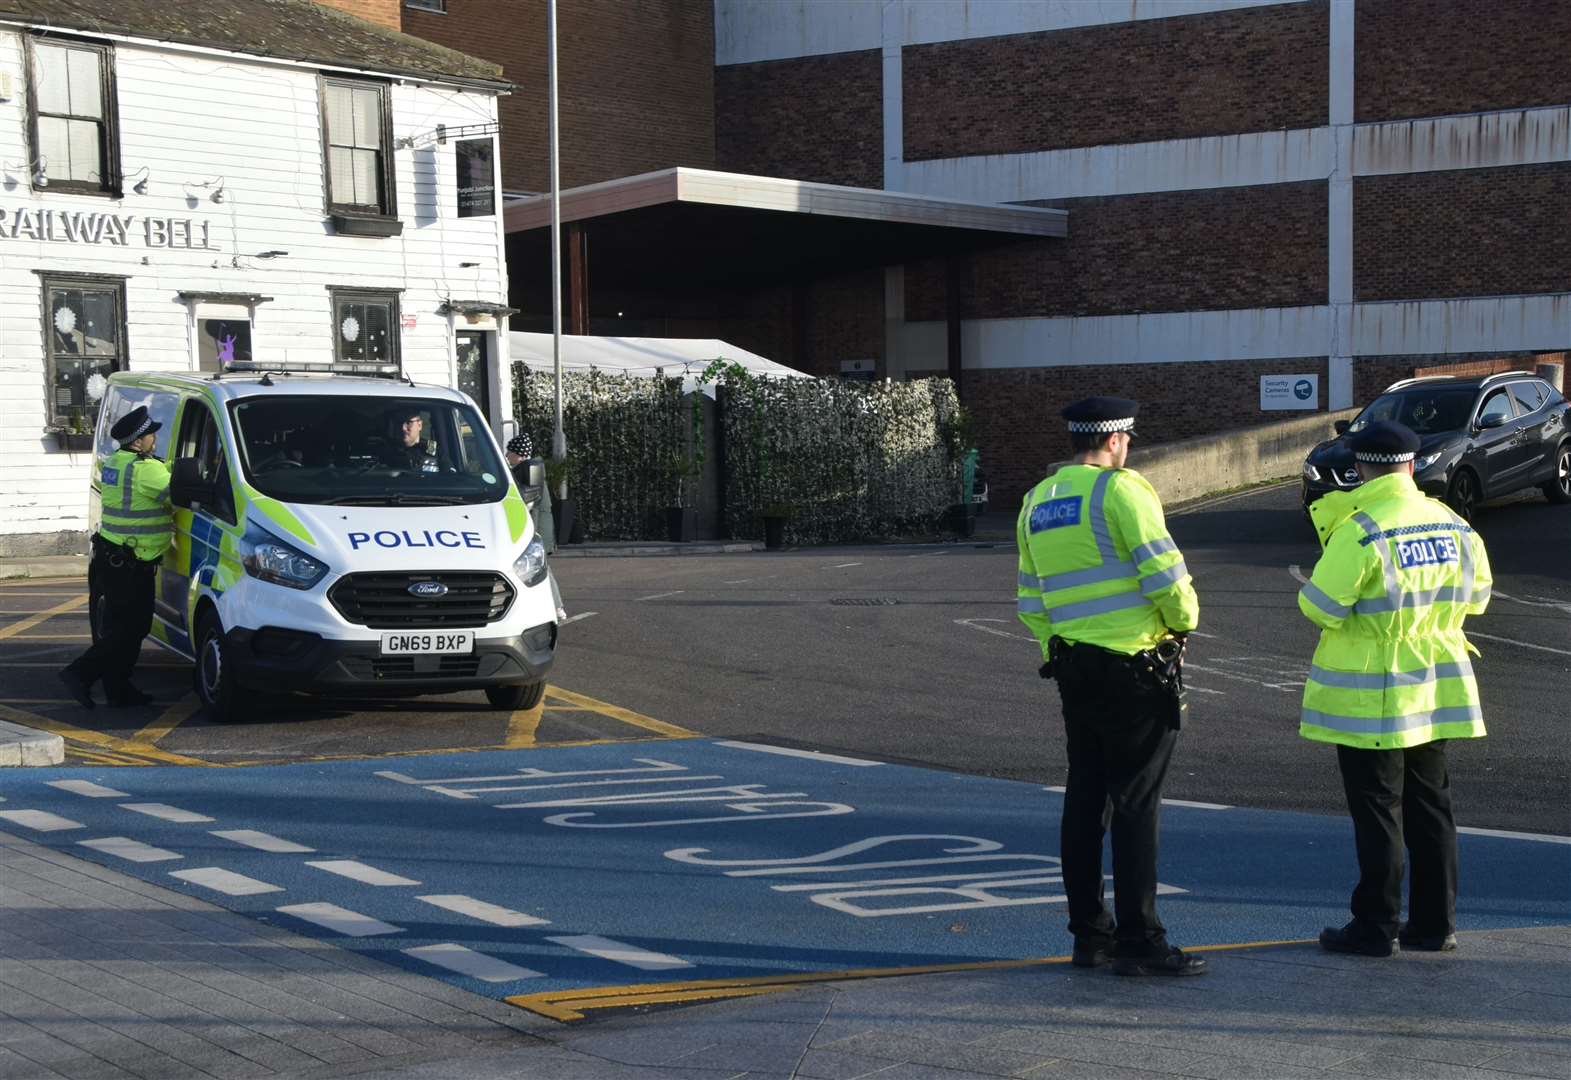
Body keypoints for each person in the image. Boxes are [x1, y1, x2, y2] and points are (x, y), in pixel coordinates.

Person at [1017, 396, 1206, 977]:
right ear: (1119, 441)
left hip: (1074, 668)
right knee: (1135, 805)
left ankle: (1089, 936)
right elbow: (1166, 575)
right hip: (1134, 666)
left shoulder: (1037, 501)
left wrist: (1056, 649)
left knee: (1085, 802)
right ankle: (1140, 940)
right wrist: (1184, 622)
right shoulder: (1123, 492)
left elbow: (1031, 598)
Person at [1298, 420, 1491, 958]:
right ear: (1411, 465)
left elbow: (1319, 605)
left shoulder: (1362, 528)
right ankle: (1435, 925)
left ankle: (1376, 925)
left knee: (1378, 807)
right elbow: (1478, 596)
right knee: (1431, 805)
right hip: (1437, 683)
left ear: (1361, 469)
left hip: (1374, 690)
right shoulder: (1454, 523)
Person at [59, 405, 173, 709]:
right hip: (132, 562)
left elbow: (154, 477)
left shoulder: (117, 462)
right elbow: (177, 495)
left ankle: (118, 689)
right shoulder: (147, 469)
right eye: (151, 435)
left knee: (123, 627)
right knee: (131, 629)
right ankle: (79, 673)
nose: (155, 439)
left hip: (114, 557)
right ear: (138, 442)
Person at [504, 432, 566, 623]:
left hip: (537, 528)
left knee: (542, 569)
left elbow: (533, 504)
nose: (507, 456)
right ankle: (555, 608)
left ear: (519, 454)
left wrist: (533, 533)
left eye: (510, 452)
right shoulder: (530, 468)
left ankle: (557, 608)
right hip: (540, 527)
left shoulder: (529, 470)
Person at [383, 408, 438, 472]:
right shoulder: (387, 450)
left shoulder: (431, 448)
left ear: (419, 425)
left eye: (408, 422)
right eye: (399, 422)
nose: (403, 428)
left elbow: (447, 473)